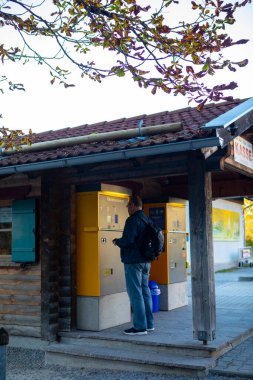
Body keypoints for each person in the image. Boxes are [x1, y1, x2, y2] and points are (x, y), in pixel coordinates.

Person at [113, 195, 154, 336]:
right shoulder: (146, 219)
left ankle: (139, 327)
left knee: (135, 293)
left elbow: (128, 240)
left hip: (133, 261)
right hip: (146, 261)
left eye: (128, 206)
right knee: (145, 292)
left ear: (134, 205)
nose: (127, 209)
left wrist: (118, 241)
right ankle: (149, 324)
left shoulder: (132, 220)